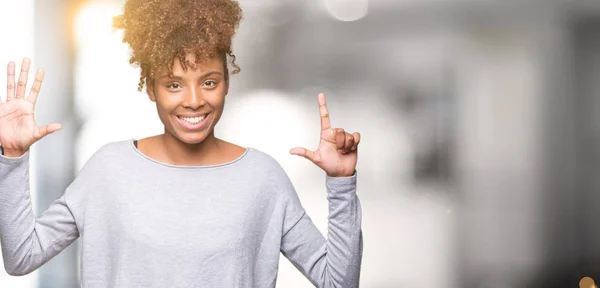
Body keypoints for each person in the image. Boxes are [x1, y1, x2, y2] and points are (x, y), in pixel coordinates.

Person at [0, 0, 363, 287]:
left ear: (227, 83)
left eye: (208, 82)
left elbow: (338, 281)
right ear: (151, 89)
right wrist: (13, 156)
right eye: (173, 84)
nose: (193, 100)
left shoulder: (262, 178)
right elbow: (21, 257)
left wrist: (342, 185)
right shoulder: (108, 170)